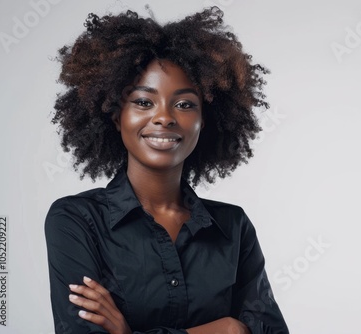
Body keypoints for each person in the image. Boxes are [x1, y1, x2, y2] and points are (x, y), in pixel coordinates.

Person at [44, 6, 289, 334]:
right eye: (143, 102)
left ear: (205, 120)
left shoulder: (233, 228)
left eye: (185, 104)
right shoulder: (76, 221)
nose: (165, 117)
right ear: (118, 117)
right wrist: (229, 329)